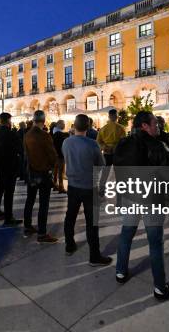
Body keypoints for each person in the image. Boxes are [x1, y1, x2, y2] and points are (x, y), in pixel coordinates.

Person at [114, 111, 169, 300]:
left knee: (126, 234)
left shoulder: (123, 143)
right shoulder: (159, 147)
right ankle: (160, 287)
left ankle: (120, 271)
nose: (158, 126)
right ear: (144, 126)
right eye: (155, 124)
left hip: (130, 197)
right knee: (155, 242)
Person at [62, 114, 112, 266]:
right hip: (89, 187)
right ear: (88, 127)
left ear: (73, 125)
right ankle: (94, 256)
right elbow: (101, 166)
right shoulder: (92, 144)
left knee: (70, 216)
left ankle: (69, 245)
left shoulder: (66, 142)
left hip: (72, 186)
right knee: (92, 222)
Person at [23, 110, 58, 243]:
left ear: (33, 120)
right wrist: (53, 167)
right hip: (43, 173)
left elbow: (25, 153)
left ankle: (27, 226)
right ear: (44, 121)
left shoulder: (27, 135)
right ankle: (42, 234)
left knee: (30, 200)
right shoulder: (45, 135)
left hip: (31, 172)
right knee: (44, 204)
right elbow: (52, 154)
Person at [0, 112, 24, 225]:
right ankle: (8, 217)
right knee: (9, 192)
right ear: (8, 121)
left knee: (0, 189)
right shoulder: (11, 134)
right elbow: (20, 148)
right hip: (10, 166)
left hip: (0, 165)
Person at [97, 108, 126, 193]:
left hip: (107, 153)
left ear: (109, 116)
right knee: (119, 173)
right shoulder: (121, 128)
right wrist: (115, 147)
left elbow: (98, 142)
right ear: (117, 117)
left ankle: (101, 189)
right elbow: (123, 142)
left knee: (105, 172)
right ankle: (120, 190)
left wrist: (105, 148)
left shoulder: (103, 129)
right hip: (117, 153)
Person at [51, 120, 69, 193]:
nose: (64, 125)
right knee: (61, 172)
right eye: (63, 124)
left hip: (55, 155)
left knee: (55, 171)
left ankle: (55, 185)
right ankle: (61, 187)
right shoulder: (59, 134)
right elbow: (61, 145)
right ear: (59, 124)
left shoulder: (53, 132)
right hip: (60, 155)